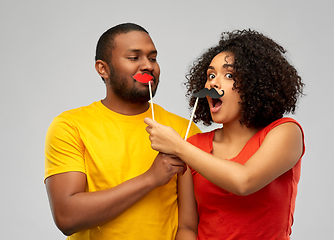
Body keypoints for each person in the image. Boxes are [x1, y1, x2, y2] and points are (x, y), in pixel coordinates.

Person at [44, 23, 201, 240]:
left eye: (153, 58)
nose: (148, 66)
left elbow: (188, 225)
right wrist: (150, 178)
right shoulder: (70, 126)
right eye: (134, 58)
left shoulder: (186, 131)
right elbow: (66, 217)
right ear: (103, 68)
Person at [145, 29, 305, 240]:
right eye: (211, 75)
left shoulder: (285, 132)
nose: (213, 83)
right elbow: (187, 226)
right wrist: (183, 148)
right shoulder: (194, 145)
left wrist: (178, 147)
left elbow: (244, 181)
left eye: (229, 75)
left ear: (254, 83)